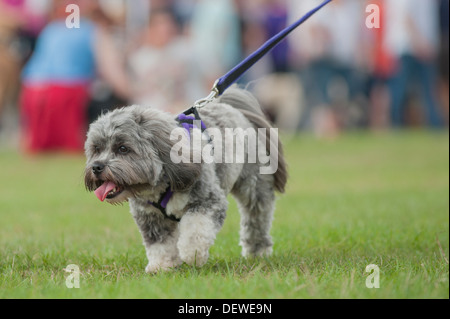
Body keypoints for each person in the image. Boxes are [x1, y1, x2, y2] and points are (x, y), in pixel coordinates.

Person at [20, 0, 129, 153]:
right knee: (70, 148)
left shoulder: (51, 28)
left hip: (32, 90)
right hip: (65, 92)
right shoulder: (93, 31)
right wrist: (133, 94)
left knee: (40, 148)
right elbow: (112, 72)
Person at [384, 0, 443, 128]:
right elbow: (406, 17)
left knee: (429, 91)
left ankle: (436, 126)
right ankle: (395, 126)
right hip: (406, 47)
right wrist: (420, 43)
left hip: (426, 48)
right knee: (400, 90)